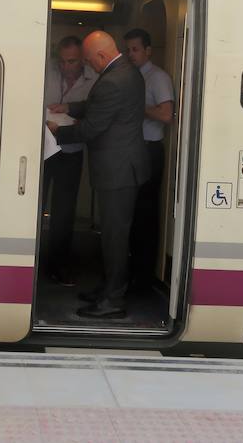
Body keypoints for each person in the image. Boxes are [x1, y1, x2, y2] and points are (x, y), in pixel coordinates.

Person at [47, 31, 149, 319]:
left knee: (114, 237)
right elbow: (97, 106)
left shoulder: (114, 81)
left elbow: (91, 128)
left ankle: (113, 300)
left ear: (102, 56)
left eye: (90, 61)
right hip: (123, 168)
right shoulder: (126, 71)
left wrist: (59, 131)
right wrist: (68, 107)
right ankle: (108, 288)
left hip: (117, 172)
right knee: (113, 235)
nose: (89, 66)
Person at [42, 36, 96, 285]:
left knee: (64, 212)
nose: (66, 66)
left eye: (72, 61)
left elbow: (97, 114)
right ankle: (29, 261)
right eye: (62, 61)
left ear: (83, 59)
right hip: (41, 148)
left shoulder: (95, 79)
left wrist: (80, 123)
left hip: (71, 150)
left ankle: (58, 265)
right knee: (32, 206)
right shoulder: (45, 69)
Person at [124, 28, 175, 289]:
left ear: (148, 51)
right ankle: (130, 273)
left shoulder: (158, 78)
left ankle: (143, 278)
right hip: (133, 149)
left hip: (150, 149)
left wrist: (137, 106)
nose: (130, 54)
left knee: (145, 214)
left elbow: (167, 115)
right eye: (128, 50)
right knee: (131, 213)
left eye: (135, 49)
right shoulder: (130, 76)